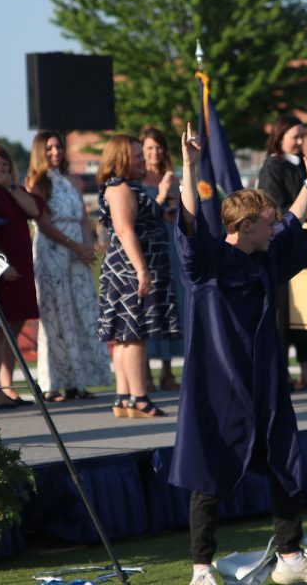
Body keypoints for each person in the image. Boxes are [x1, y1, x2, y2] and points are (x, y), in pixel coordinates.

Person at [171, 123, 307, 585]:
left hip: (264, 381)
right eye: (266, 220)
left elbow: (292, 223)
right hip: (217, 386)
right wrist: (187, 165)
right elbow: (188, 222)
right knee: (207, 476)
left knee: (286, 465)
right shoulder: (205, 266)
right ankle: (202, 570)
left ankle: (289, 558)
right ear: (246, 227)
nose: (275, 224)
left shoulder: (263, 255)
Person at [96, 135, 180, 418]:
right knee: (133, 335)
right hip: (130, 269)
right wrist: (142, 270)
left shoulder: (129, 186)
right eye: (136, 155)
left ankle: (123, 397)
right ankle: (138, 398)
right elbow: (124, 229)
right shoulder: (118, 187)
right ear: (120, 157)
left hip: (134, 266)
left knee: (125, 336)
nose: (142, 159)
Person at [26, 131, 111, 402]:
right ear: (40, 150)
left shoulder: (71, 180)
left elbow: (83, 218)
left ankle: (79, 381)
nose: (55, 152)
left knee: (80, 311)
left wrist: (88, 247)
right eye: (49, 148)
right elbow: (42, 223)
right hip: (52, 251)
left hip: (77, 250)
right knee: (56, 316)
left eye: (58, 147)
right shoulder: (37, 182)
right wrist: (74, 246)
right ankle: (53, 383)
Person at [257, 115, 307, 392]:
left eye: (303, 135)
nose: (301, 141)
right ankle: (283, 373)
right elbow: (274, 207)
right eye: (295, 136)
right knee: (284, 316)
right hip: (283, 250)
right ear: (279, 137)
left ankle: (306, 371)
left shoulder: (303, 166)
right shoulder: (272, 167)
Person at [0, 144, 40, 408]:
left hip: (24, 267)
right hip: (2, 269)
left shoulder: (13, 192)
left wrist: (12, 187)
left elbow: (35, 211)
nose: (0, 170)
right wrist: (2, 268)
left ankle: (7, 384)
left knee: (14, 329)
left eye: (5, 165)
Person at [140, 127, 185, 391]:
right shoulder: (135, 179)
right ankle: (143, 371)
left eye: (158, 148)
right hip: (147, 246)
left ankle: (168, 372)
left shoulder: (172, 177)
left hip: (169, 241)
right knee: (148, 305)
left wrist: (173, 207)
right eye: (149, 148)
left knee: (171, 302)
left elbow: (183, 211)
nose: (154, 153)